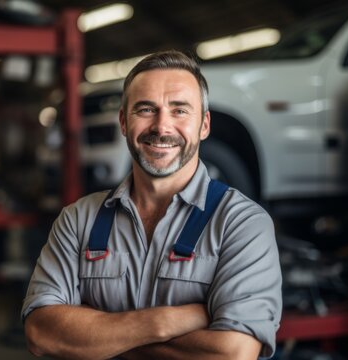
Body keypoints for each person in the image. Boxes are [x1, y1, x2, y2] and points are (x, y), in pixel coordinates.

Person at [22, 50, 282, 359]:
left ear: (204, 125)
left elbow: (233, 353)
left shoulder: (242, 224)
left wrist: (99, 333)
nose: (162, 126)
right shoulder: (78, 220)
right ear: (123, 121)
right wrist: (167, 321)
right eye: (146, 109)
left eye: (179, 111)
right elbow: (41, 333)